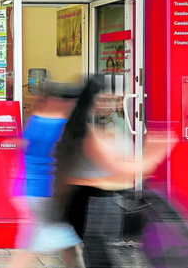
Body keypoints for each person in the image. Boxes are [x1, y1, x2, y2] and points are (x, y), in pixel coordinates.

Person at [53, 75, 170, 267]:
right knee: (99, 257)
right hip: (91, 204)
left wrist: (145, 158)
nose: (110, 105)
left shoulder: (103, 126)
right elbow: (115, 167)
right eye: (104, 99)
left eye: (115, 99)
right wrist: (153, 155)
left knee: (97, 257)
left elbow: (121, 165)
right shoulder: (85, 130)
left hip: (102, 202)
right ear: (90, 98)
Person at [8, 81, 84, 268]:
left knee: (68, 244)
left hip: (27, 190)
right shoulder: (62, 126)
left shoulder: (33, 121)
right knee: (31, 247)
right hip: (47, 194)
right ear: (59, 102)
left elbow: (21, 149)